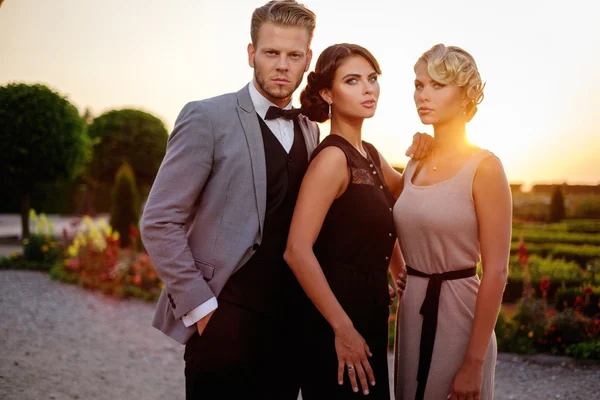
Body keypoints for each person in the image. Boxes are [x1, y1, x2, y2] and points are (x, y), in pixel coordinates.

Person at [140, 1, 428, 399]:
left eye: (294, 55)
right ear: (251, 53)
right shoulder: (207, 118)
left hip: (295, 331)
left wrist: (430, 148)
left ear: (308, 60)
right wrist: (202, 310)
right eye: (271, 52)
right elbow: (159, 221)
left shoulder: (313, 132)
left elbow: (370, 203)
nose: (281, 65)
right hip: (225, 325)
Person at [283, 43, 427, 399]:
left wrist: (429, 145)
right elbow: (296, 250)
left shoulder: (371, 154)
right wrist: (343, 329)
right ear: (326, 92)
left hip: (368, 316)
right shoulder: (332, 158)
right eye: (352, 80)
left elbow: (408, 190)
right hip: (335, 326)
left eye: (372, 78)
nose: (368, 88)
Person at [392, 44, 512, 400]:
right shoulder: (414, 161)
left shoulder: (486, 167)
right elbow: (373, 193)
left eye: (437, 85)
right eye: (418, 84)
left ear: (464, 97)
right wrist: (398, 268)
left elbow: (497, 272)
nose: (422, 95)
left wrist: (473, 363)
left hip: (460, 315)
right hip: (413, 312)